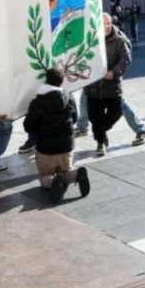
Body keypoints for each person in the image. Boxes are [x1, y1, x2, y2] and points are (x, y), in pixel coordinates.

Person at [23, 67, 91, 203]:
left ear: (46, 81)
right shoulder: (69, 97)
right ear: (62, 81)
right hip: (66, 146)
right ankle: (77, 174)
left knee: (44, 176)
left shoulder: (37, 102)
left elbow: (28, 127)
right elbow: (75, 118)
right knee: (66, 172)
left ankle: (52, 181)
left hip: (46, 148)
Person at [83, 13, 132, 156]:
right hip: (94, 87)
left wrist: (114, 72)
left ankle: (100, 132)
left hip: (112, 86)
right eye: (103, 23)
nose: (106, 26)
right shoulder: (90, 39)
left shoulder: (119, 40)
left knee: (116, 112)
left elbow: (126, 59)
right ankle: (100, 143)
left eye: (108, 23)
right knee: (94, 116)